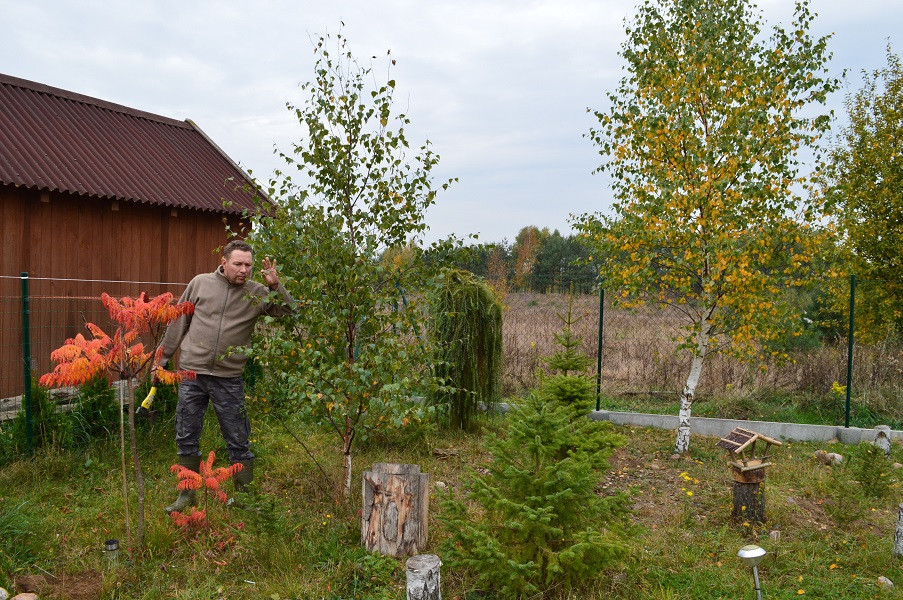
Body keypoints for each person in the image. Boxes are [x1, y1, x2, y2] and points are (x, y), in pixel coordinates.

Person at [158, 239, 294, 514]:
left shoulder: (257, 292)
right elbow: (178, 321)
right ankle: (186, 495)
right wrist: (160, 358)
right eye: (238, 264)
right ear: (224, 263)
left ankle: (244, 498)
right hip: (192, 373)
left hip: (229, 376)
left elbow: (290, 311)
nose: (244, 270)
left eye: (248, 265)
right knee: (186, 434)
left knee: (237, 438)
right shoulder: (200, 283)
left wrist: (275, 286)